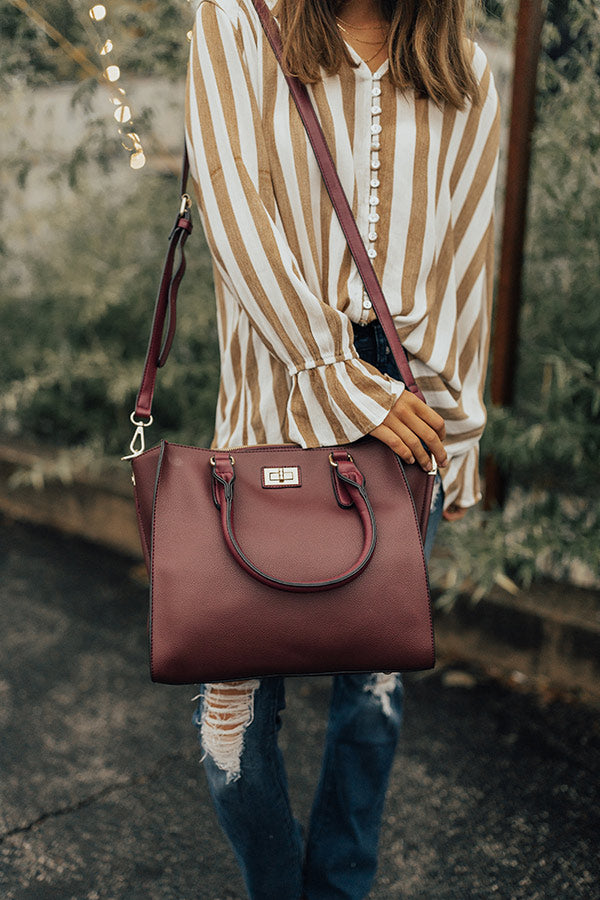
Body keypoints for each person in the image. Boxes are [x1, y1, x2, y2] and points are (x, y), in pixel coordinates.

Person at [184, 0, 500, 896]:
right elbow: (233, 208)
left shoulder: (464, 67)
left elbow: (464, 263)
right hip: (274, 396)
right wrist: (329, 366)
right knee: (231, 712)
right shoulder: (238, 20)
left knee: (372, 694)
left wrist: (461, 435)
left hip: (407, 415)